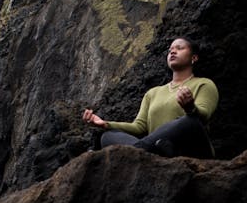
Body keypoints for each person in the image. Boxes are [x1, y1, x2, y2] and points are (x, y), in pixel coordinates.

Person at [83, 37, 218, 158]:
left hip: (192, 148)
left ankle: (146, 152)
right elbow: (139, 127)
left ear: (194, 57)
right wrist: (106, 124)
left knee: (189, 121)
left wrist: (190, 107)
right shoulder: (153, 93)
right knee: (107, 136)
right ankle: (155, 152)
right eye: (170, 49)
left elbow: (203, 116)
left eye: (180, 48)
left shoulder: (204, 84)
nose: (172, 52)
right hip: (160, 147)